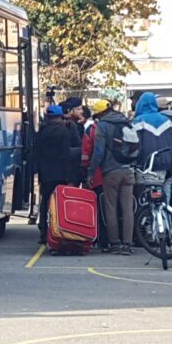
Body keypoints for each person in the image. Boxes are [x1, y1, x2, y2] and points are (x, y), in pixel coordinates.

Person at [87, 100, 137, 255]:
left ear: (100, 114)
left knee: (111, 207)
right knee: (127, 208)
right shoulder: (127, 122)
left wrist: (91, 171)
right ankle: (128, 244)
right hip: (128, 170)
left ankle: (114, 243)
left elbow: (99, 152)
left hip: (111, 172)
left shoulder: (103, 126)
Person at [34, 105, 79, 244]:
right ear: (60, 116)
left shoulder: (41, 132)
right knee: (61, 203)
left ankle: (43, 232)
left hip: (46, 173)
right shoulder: (64, 132)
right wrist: (71, 177)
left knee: (45, 202)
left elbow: (36, 153)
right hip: (62, 172)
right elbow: (66, 155)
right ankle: (61, 231)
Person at [81, 100, 109, 249]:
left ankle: (99, 239)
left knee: (97, 208)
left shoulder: (92, 130)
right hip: (118, 172)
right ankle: (115, 240)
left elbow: (86, 153)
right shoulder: (120, 126)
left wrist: (87, 172)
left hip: (97, 176)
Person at [132, 92, 172, 175]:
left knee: (142, 187)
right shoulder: (167, 120)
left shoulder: (138, 121)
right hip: (165, 162)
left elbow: (134, 145)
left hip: (144, 164)